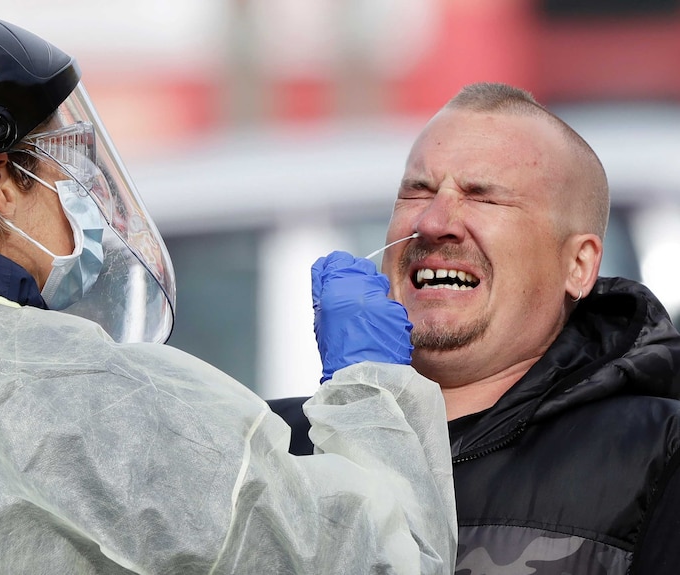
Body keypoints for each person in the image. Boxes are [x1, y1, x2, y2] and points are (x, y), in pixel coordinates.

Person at [0, 8, 458, 575]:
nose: (84, 198)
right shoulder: (65, 391)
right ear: (4, 181)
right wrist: (372, 388)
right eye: (62, 163)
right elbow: (384, 559)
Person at [270, 82, 680, 574]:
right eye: (417, 191)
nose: (434, 221)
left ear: (577, 264)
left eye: (483, 197)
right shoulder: (272, 446)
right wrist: (358, 410)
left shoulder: (656, 454)